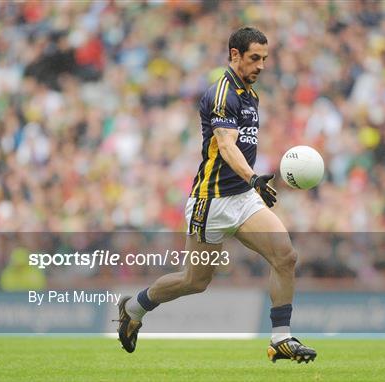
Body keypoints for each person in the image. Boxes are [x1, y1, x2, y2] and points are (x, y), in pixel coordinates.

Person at [115, 27, 316, 364]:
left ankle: (281, 337)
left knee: (285, 256)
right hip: (212, 202)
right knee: (194, 281)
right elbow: (225, 145)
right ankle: (133, 307)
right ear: (234, 55)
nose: (262, 65)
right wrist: (253, 178)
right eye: (255, 58)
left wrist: (251, 184)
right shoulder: (222, 94)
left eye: (265, 59)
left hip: (243, 198)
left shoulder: (251, 95)